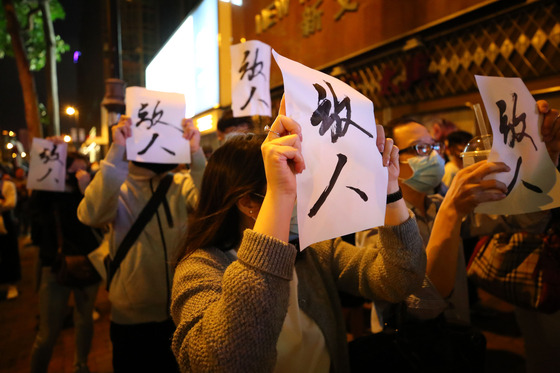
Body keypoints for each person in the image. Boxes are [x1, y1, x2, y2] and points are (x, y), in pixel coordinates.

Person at [171, 100, 427, 372]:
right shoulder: (199, 269)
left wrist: (389, 190)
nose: (306, 199)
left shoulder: (314, 250)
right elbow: (228, 362)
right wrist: (280, 195)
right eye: (293, 187)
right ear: (248, 203)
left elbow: (400, 279)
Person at [77, 115, 205, 373]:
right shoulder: (117, 186)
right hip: (131, 320)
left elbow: (211, 204)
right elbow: (90, 215)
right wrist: (117, 152)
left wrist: (196, 153)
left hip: (180, 313)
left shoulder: (180, 183)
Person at [29, 151, 101, 373]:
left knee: (85, 320)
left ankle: (81, 364)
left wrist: (87, 191)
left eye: (84, 169)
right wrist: (51, 153)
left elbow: (101, 218)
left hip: (87, 264)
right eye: (74, 170)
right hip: (55, 266)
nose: (80, 174)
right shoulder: (49, 195)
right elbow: (35, 210)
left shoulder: (90, 192)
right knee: (48, 332)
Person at [0, 167, 20, 300]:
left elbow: (10, 203)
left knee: (9, 252)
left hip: (6, 221)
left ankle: (12, 284)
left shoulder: (8, 185)